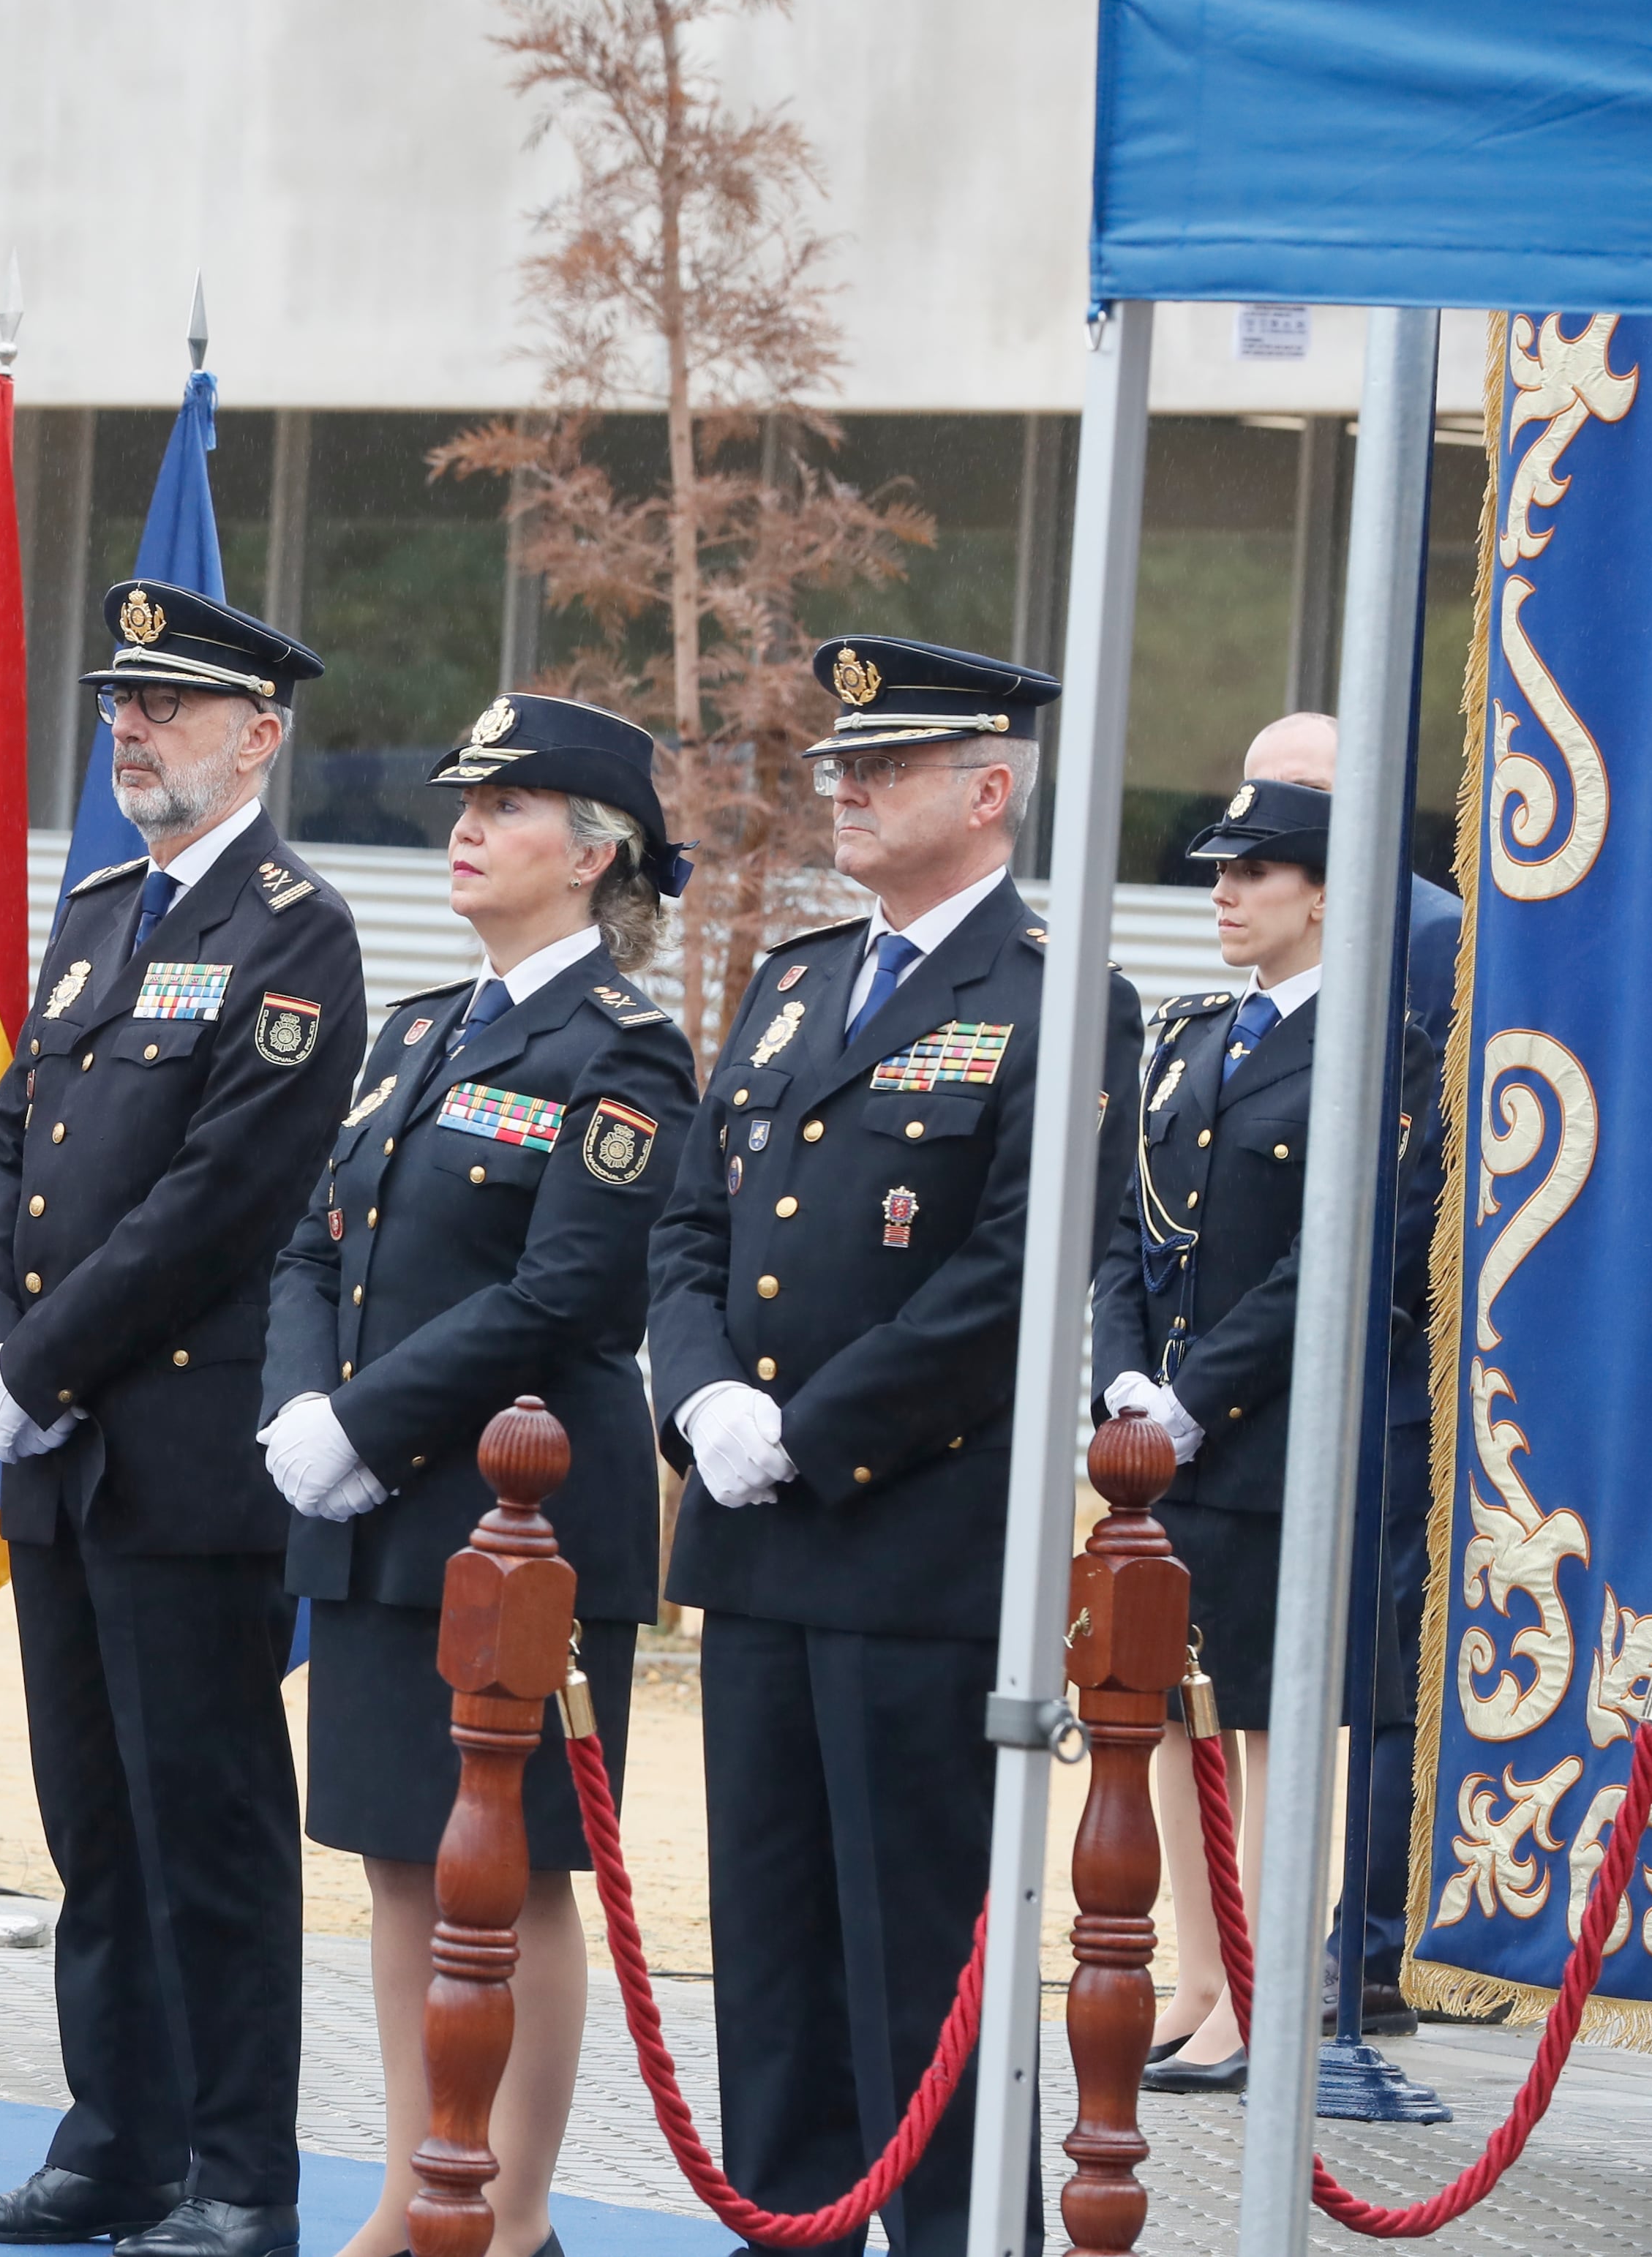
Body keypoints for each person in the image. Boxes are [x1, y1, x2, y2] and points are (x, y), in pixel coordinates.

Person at [646, 634, 1139, 2256]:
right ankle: (787, 2231)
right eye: (836, 765)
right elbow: (690, 1225)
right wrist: (705, 1397)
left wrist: (807, 1428)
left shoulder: (1058, 996)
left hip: (912, 1542)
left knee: (915, 1950)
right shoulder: (792, 978)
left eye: (884, 766)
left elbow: (1010, 1275)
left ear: (989, 790)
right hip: (758, 1534)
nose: (840, 787)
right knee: (772, 1944)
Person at [0, 582, 364, 2257]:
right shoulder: (103, 911)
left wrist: (36, 1369)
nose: (128, 727)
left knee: (211, 1837)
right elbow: (13, 1144)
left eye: (167, 707)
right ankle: (114, 2143)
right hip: (60, 1465)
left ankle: (239, 2177)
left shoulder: (290, 926)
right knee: (93, 1831)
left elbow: (221, 1199)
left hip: (180, 1462)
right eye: (118, 701)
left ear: (257, 737)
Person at [262, 696, 697, 2257]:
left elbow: (567, 1291)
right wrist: (298, 1405)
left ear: (593, 854)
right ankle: (411, 2186)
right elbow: (317, 1236)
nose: (464, 823)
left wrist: (360, 1423)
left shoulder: (625, 1047)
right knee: (397, 1861)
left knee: (511, 1880)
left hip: (516, 1527)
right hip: (386, 1526)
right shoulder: (419, 1026)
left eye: (507, 805)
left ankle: (508, 2219)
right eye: (465, 798)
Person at [1097, 776, 1431, 2092]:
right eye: (1220, 871)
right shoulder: (1186, 1035)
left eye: (1258, 871)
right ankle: (1198, 1970)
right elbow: (1127, 1230)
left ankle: (1271, 1985)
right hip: (1166, 1443)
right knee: (1172, 1709)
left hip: (1282, 1435)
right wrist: (1124, 1380)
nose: (1225, 893)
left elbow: (1342, 1253)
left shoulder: (1380, 1045)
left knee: (1277, 1722)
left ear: (1331, 892)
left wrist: (1197, 1396)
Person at [1242, 709, 1456, 2036]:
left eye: (1302, 793)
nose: (1271, 819)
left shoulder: (1427, 935)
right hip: (1265, 1364)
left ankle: (1364, 1944)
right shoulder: (1266, 948)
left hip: (1388, 1348)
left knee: (1377, 1651)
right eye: (1260, 791)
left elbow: (1425, 1154)